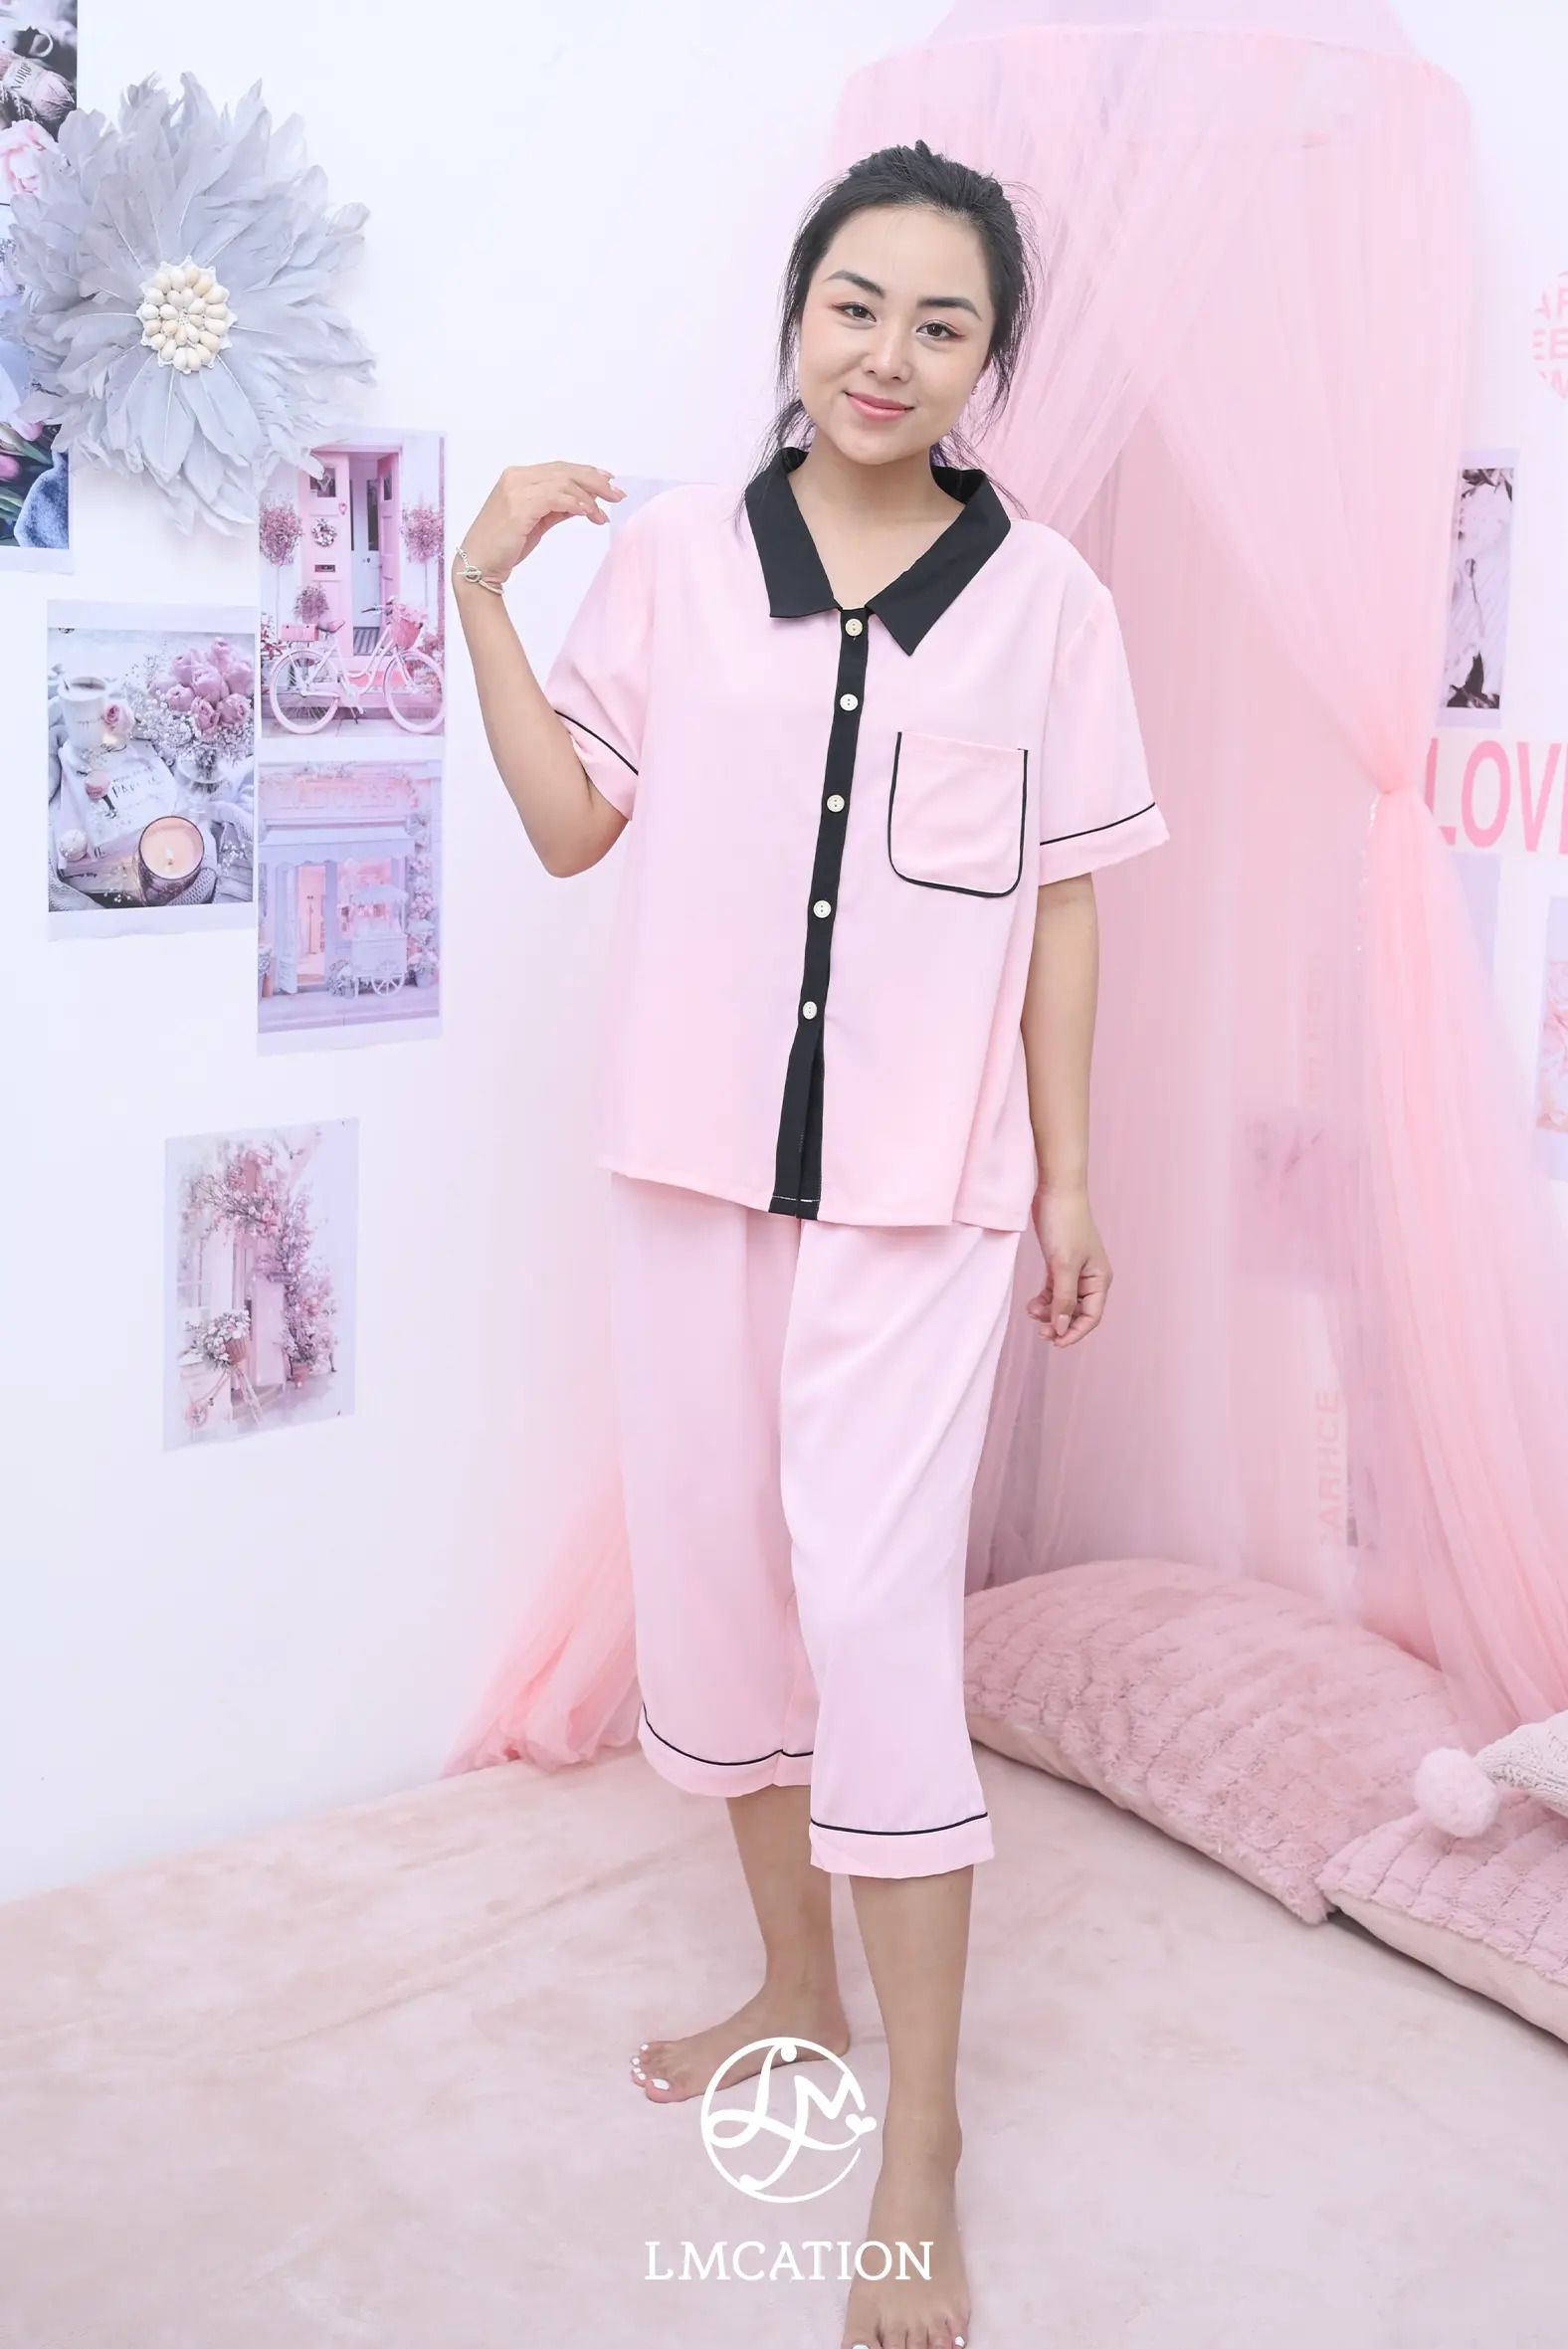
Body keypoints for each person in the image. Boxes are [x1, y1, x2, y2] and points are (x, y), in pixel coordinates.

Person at [454, 138, 1168, 2349]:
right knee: (725, 1593)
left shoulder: (1048, 598)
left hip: (920, 1196)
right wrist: (481, 595)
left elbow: (1061, 905)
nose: (887, 354)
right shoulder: (678, 555)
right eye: (857, 303)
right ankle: (794, 1984)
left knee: (871, 1617)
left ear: (987, 361)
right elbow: (571, 831)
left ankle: (918, 2140)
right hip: (692, 1172)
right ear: (798, 310)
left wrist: (1067, 1172)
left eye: (942, 323)